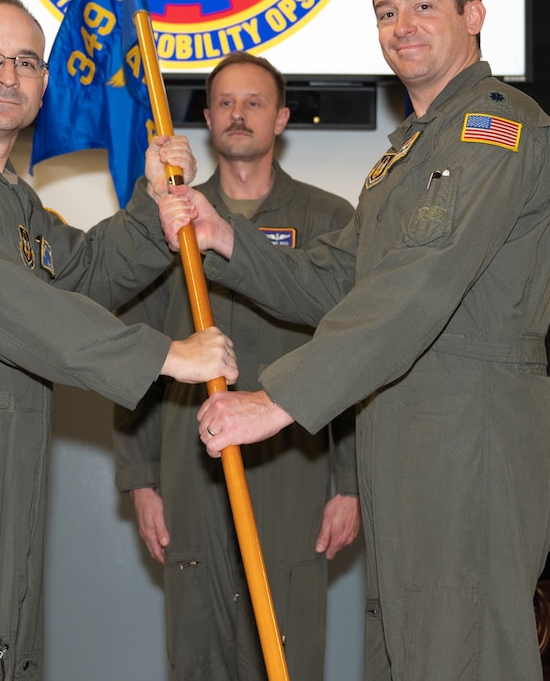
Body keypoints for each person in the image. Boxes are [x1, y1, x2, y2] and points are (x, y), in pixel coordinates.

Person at [164, 0, 550, 680]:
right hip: (405, 431)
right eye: (387, 11)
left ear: (473, 15)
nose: (401, 25)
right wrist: (228, 238)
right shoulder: (404, 157)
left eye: (423, 5)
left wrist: (279, 399)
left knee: (460, 655)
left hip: (469, 431)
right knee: (405, 655)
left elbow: (418, 284)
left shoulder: (498, 130)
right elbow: (337, 278)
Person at [0, 0, 238, 681]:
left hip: (5, 465)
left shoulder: (10, 197)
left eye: (26, 61)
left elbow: (80, 272)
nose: (7, 75)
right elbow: (9, 302)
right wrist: (165, 356)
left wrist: (154, 209)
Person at [113, 52, 359, 681]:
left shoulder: (331, 221)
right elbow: (135, 349)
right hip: (188, 461)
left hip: (295, 465)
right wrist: (141, 479)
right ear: (206, 117)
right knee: (198, 646)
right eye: (224, 102)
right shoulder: (171, 221)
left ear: (281, 118)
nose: (238, 114)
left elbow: (357, 356)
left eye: (254, 102)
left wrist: (351, 484)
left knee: (288, 645)